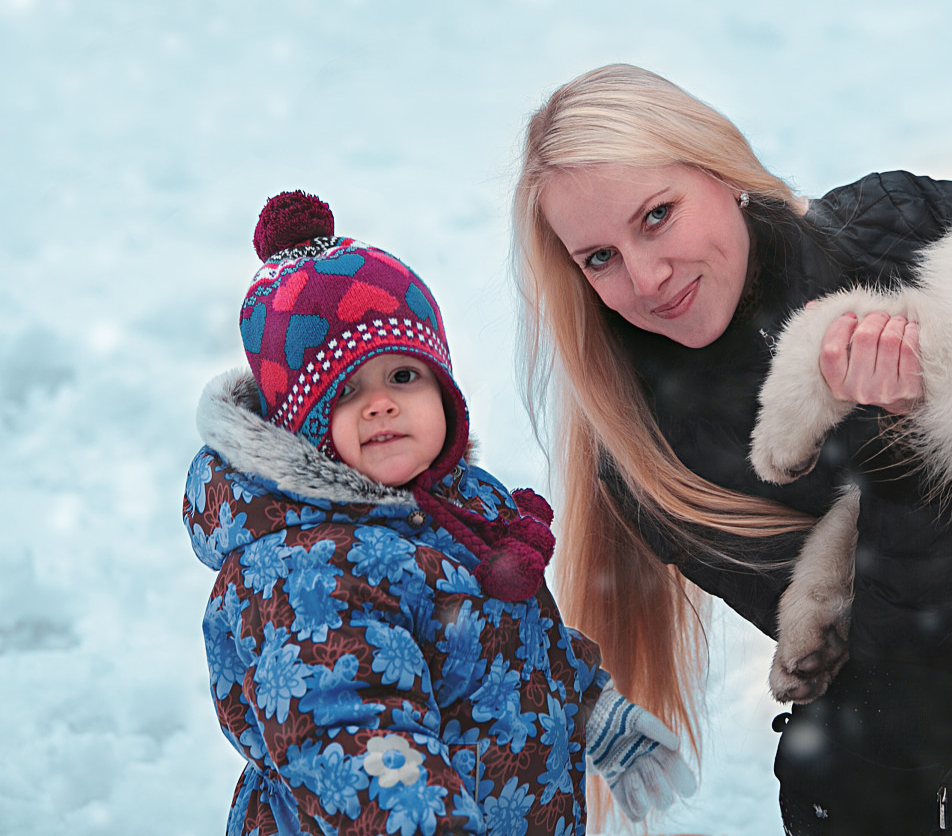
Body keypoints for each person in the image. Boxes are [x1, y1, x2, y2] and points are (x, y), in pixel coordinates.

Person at [513, 64, 952, 836]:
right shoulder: (652, 459)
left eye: (657, 215)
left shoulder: (897, 224)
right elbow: (888, 661)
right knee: (843, 750)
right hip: (912, 705)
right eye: (599, 258)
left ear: (724, 175)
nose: (647, 276)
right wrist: (903, 453)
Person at [184, 190, 696, 836]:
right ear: (302, 430)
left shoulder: (458, 505)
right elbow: (357, 738)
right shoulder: (303, 571)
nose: (381, 405)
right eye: (345, 391)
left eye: (403, 377)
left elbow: (502, 642)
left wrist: (589, 706)